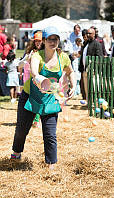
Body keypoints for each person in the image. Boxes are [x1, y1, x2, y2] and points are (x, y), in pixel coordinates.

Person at [11, 26, 75, 169]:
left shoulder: (63, 57)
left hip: (50, 99)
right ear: (44, 41)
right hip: (30, 97)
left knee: (50, 134)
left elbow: (71, 72)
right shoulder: (37, 55)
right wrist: (38, 77)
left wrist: (74, 85)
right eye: (50, 39)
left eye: (56, 39)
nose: (53, 42)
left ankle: (50, 165)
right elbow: (33, 70)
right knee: (22, 129)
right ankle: (16, 153)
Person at [79, 27, 103, 103]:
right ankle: (89, 103)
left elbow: (99, 58)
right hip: (85, 70)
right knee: (87, 89)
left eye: (90, 33)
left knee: (94, 89)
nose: (88, 35)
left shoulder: (97, 44)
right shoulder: (86, 43)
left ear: (94, 34)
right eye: (87, 33)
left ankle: (95, 103)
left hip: (93, 71)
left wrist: (94, 68)